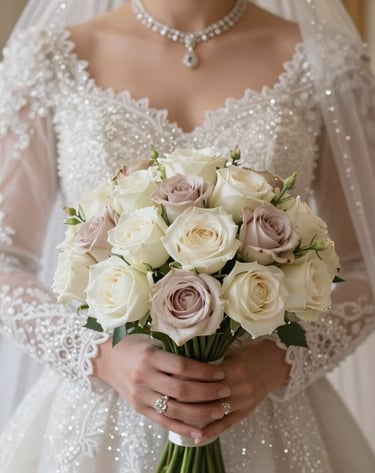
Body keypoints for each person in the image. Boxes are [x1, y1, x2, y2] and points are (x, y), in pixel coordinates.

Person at [0, 0, 374, 471]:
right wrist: (99, 355)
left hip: (266, 411)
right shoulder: (49, 57)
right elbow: (6, 258)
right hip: (100, 414)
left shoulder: (325, 58)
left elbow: (366, 266)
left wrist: (280, 360)